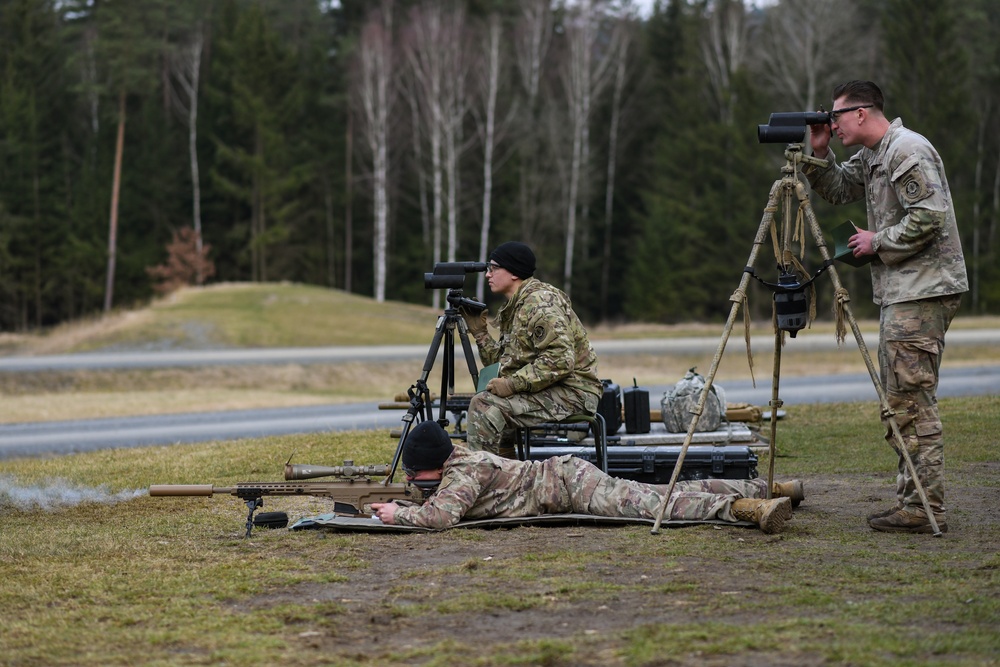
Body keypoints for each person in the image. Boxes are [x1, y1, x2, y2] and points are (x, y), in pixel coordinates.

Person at [805, 80, 968, 534]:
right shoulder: (875, 154)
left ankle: (923, 505)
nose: (832, 124)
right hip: (905, 288)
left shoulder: (905, 149)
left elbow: (929, 217)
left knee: (910, 399)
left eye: (835, 117)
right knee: (900, 396)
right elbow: (839, 189)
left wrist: (876, 240)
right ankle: (914, 498)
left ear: (861, 112)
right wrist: (819, 154)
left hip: (923, 289)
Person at [371, 420, 804, 533]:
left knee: (655, 505)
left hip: (571, 486)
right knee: (657, 491)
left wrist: (397, 514)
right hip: (568, 477)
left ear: (437, 463)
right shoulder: (457, 462)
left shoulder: (463, 469)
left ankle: (746, 508)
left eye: (415, 472)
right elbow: (441, 502)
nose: (412, 478)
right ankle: (770, 487)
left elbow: (442, 517)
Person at [459, 241, 603, 458]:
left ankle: (483, 480)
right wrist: (480, 334)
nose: (488, 274)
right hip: (552, 387)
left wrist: (512, 384)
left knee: (484, 406)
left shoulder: (539, 303)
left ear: (514, 273)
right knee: (491, 401)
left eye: (494, 268)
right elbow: (504, 365)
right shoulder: (518, 305)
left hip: (574, 391)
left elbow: (561, 359)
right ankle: (506, 477)